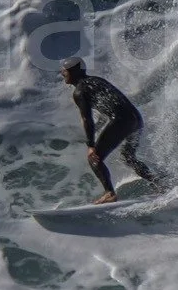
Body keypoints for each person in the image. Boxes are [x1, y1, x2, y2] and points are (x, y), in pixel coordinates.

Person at [61, 58, 163, 204]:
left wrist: (91, 145)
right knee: (128, 157)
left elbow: (86, 118)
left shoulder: (79, 91)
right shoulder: (96, 80)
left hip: (121, 120)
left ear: (73, 71)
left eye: (64, 70)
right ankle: (158, 183)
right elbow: (113, 103)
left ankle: (109, 193)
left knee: (94, 158)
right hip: (135, 119)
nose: (62, 73)